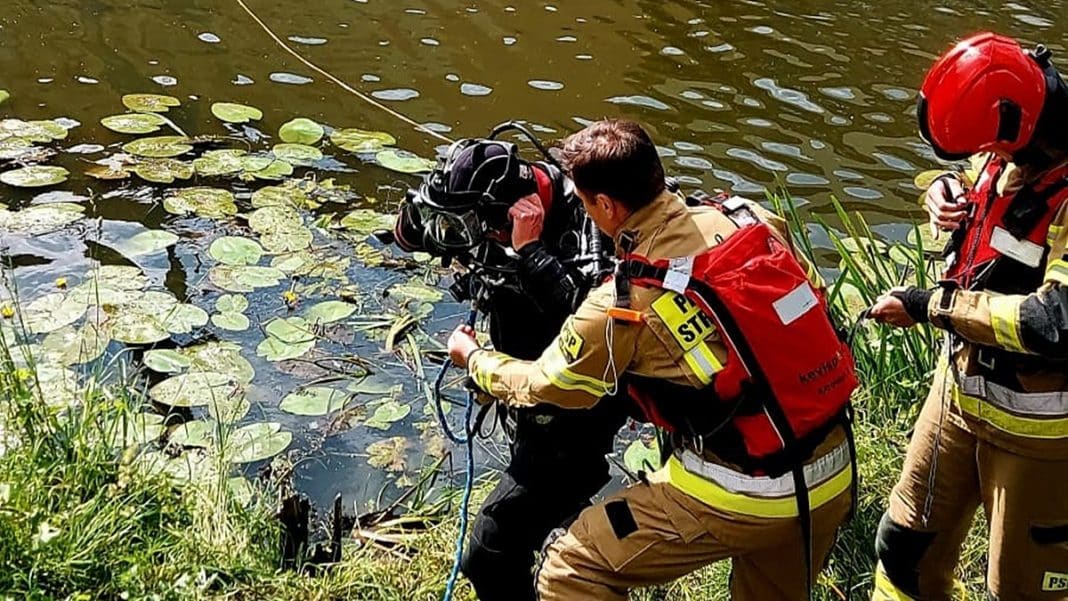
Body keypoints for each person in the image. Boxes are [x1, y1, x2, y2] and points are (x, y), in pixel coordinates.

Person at [447, 119, 858, 600]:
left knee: (570, 570)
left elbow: (544, 382)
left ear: (605, 205)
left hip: (748, 491)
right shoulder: (748, 218)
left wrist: (474, 358)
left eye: (583, 201)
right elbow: (814, 298)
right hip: (834, 470)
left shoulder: (624, 301)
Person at [389, 131, 631, 601]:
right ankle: (573, 540)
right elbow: (406, 234)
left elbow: (601, 332)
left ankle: (576, 551)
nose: (468, 241)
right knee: (550, 517)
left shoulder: (591, 228)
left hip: (577, 400)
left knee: (488, 550)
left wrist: (532, 253)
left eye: (478, 228)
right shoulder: (478, 213)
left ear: (521, 212)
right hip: (517, 379)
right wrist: (429, 208)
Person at [868, 32, 1068, 600]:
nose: (991, 161)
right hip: (958, 392)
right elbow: (985, 200)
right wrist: (941, 192)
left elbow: (1052, 321)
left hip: (1040, 431)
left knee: (1026, 588)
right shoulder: (1011, 135)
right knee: (904, 547)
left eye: (995, 151)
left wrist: (929, 306)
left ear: (1023, 128)